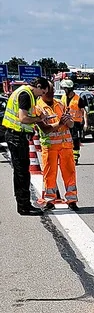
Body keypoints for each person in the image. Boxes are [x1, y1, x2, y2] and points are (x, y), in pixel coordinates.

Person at [1, 77, 52, 215]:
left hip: (16, 135)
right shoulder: (26, 95)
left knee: (21, 172)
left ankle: (23, 204)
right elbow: (23, 118)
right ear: (39, 86)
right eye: (42, 92)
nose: (41, 96)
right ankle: (24, 206)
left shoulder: (23, 92)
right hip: (16, 136)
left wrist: (35, 120)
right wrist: (39, 119)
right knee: (22, 173)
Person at [34, 80, 78, 209]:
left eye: (53, 90)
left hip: (66, 145)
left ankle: (71, 200)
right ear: (44, 91)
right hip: (49, 146)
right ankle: (49, 200)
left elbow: (71, 124)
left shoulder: (60, 104)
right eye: (50, 90)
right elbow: (45, 128)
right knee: (49, 174)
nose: (52, 93)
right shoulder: (38, 108)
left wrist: (68, 121)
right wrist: (59, 123)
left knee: (69, 172)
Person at [60, 79, 85, 165]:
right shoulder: (63, 97)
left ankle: (75, 158)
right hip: (65, 122)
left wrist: (86, 123)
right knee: (65, 140)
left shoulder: (78, 99)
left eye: (65, 89)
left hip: (76, 122)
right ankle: (66, 158)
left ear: (69, 89)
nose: (64, 90)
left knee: (75, 140)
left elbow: (83, 111)